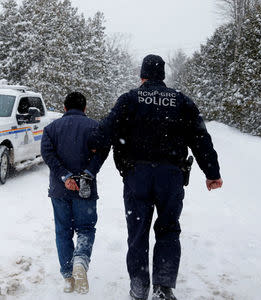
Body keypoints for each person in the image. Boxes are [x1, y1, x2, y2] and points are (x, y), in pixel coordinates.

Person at [91, 54, 223, 300]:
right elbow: (201, 138)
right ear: (162, 76)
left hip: (136, 175)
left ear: (142, 76)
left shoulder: (129, 99)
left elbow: (105, 130)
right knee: (168, 230)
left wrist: (91, 145)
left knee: (138, 231)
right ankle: (163, 288)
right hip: (171, 176)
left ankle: (139, 286)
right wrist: (212, 172)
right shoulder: (181, 101)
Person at [41, 92, 109, 294]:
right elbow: (104, 150)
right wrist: (88, 172)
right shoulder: (95, 128)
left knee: (63, 232)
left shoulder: (51, 129)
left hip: (59, 189)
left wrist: (65, 176)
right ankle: (81, 260)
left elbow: (47, 153)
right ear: (85, 108)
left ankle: (68, 276)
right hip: (85, 189)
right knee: (86, 228)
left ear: (64, 107)